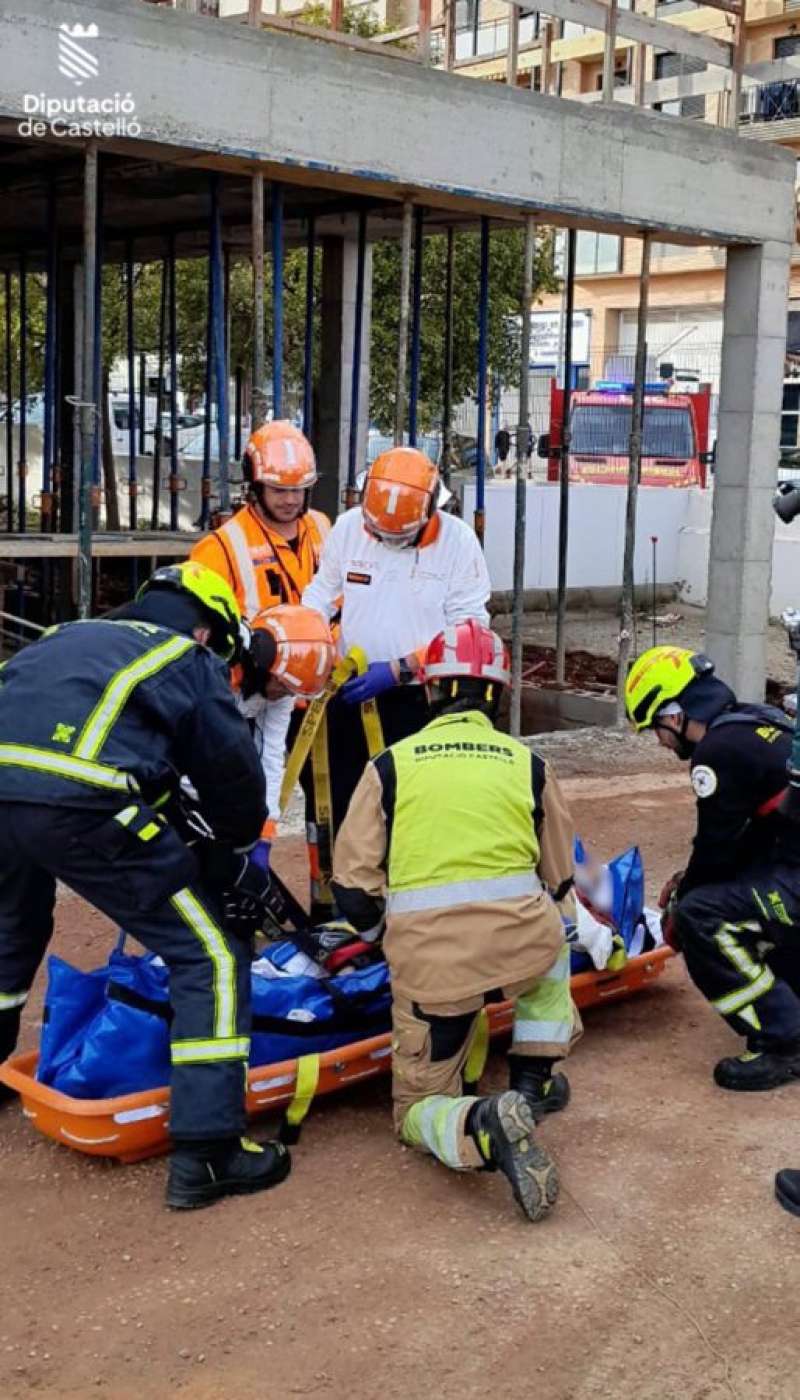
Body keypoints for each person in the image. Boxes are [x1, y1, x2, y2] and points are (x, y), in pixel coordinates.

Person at [0, 561, 332, 1210]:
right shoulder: (186, 655)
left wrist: (195, 845)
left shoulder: (67, 635)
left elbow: (149, 775)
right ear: (209, 629)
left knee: (8, 934)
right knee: (208, 954)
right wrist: (234, 857)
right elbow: (233, 784)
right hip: (79, 797)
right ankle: (207, 1156)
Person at [330, 620, 580, 1222]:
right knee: (556, 936)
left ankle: (481, 1123)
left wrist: (376, 940)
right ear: (498, 694)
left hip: (436, 973)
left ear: (428, 692)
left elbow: (353, 887)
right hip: (523, 953)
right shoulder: (529, 763)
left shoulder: (390, 766)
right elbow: (561, 879)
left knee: (416, 1109)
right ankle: (532, 1083)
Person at [300, 445, 491, 919]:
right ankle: (342, 910)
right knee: (343, 803)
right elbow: (321, 593)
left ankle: (409, 911)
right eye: (377, 531)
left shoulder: (458, 543)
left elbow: (469, 629)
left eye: (398, 535)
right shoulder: (349, 528)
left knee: (410, 807)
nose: (384, 539)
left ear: (430, 509)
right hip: (349, 694)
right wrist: (306, 640)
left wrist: (404, 667)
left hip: (419, 702)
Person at [625, 645, 800, 1094]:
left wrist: (681, 904)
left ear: (674, 714)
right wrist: (692, 877)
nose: (661, 743)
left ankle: (785, 1041)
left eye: (655, 728)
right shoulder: (755, 720)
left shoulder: (716, 754)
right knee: (743, 891)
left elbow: (716, 848)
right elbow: (750, 834)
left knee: (701, 916)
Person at [191, 420, 331, 844]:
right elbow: (201, 643)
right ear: (255, 485)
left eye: (298, 490)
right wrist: (255, 679)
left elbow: (345, 606)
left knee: (329, 809)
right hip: (257, 702)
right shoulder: (220, 548)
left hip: (322, 699)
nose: (290, 500)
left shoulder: (325, 530)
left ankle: (324, 898)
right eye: (279, 490)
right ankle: (242, 895)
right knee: (246, 808)